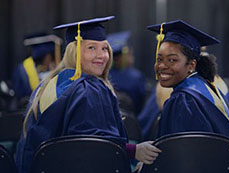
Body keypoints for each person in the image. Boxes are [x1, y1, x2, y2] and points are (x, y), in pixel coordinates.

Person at [15, 16, 161, 173]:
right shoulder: (89, 88)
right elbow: (94, 149)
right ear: (74, 52)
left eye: (104, 48)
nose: (101, 55)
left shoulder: (47, 84)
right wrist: (134, 151)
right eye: (92, 48)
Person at [146, 20, 229, 172]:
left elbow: (180, 158)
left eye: (172, 60)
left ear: (191, 65)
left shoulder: (183, 100)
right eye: (159, 59)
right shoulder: (207, 86)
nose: (162, 66)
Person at [11, 33, 63, 99]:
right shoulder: (23, 70)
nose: (50, 59)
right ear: (45, 56)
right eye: (49, 56)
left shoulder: (54, 68)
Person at [107, 31, 147, 116]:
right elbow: (141, 104)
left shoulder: (104, 76)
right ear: (119, 58)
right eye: (129, 53)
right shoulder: (135, 77)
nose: (132, 56)